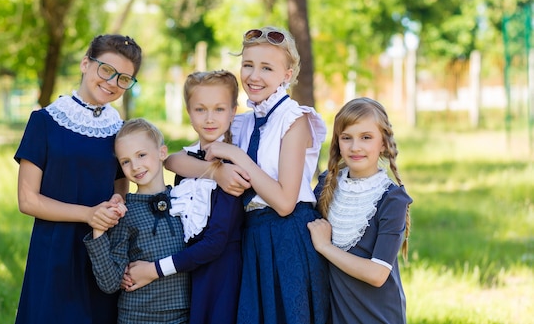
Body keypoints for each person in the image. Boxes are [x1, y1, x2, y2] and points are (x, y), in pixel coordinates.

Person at [165, 26, 330, 324]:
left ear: (287, 74)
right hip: (250, 237)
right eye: (248, 65)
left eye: (267, 68)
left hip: (287, 235)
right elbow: (174, 161)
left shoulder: (295, 120)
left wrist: (238, 156)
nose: (254, 76)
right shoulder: (242, 122)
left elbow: (284, 202)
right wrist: (216, 172)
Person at [14, 34, 142, 324]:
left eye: (124, 78)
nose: (112, 83)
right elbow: (27, 199)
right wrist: (88, 214)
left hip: (102, 254)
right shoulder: (44, 122)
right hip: (54, 249)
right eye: (106, 70)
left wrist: (115, 203)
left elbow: (120, 187)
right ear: (86, 63)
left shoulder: (120, 130)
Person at [124, 70, 244, 324]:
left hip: (220, 276)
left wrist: (153, 270)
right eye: (200, 109)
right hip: (188, 274)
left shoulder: (233, 163)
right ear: (189, 113)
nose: (209, 118)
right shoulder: (186, 161)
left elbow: (215, 241)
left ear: (233, 111)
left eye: (219, 109)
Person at [307, 97, 413, 324]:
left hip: (379, 316)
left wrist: (325, 246)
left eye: (366, 137)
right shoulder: (328, 184)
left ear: (383, 143)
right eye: (347, 138)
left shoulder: (391, 199)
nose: (355, 147)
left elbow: (377, 274)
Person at [84, 118, 190, 324]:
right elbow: (110, 282)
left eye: (141, 155)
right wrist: (98, 231)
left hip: (183, 314)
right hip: (138, 316)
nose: (135, 166)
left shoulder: (186, 201)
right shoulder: (126, 213)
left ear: (162, 153)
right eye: (125, 161)